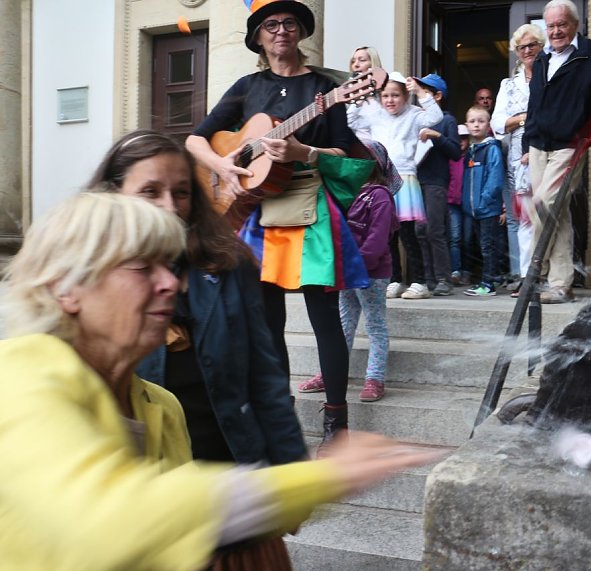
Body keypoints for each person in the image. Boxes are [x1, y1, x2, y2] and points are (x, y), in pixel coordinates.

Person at [0, 192, 439, 570]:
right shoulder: (20, 374)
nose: (171, 282)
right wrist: (322, 477)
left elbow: (172, 541)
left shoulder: (159, 405)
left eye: (168, 265)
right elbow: (105, 522)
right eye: (141, 267)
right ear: (66, 287)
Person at [185, 0, 371, 446]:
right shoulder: (247, 86)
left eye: (289, 22)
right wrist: (224, 166)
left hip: (309, 207)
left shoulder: (327, 88)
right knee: (267, 321)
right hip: (257, 211)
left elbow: (345, 152)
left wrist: (304, 153)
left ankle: (336, 423)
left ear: (301, 31)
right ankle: (277, 408)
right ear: (259, 37)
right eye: (271, 24)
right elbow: (195, 139)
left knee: (325, 318)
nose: (281, 30)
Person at [89, 129, 307, 465]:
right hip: (142, 482)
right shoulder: (86, 280)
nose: (169, 206)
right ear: (113, 195)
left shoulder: (228, 264)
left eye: (181, 192)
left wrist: (291, 472)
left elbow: (266, 378)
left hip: (232, 468)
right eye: (150, 191)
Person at [523, 0, 591, 304]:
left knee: (542, 205)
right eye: (550, 26)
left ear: (575, 25)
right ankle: (560, 284)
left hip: (571, 145)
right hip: (539, 145)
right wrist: (528, 142)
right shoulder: (542, 60)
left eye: (561, 24)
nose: (555, 31)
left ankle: (534, 273)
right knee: (557, 213)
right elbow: (534, 106)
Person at [302, 140, 402, 403]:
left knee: (375, 325)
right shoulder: (344, 191)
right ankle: (330, 373)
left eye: (361, 157)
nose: (353, 161)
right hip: (346, 272)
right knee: (342, 325)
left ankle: (375, 378)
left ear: (374, 163)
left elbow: (377, 239)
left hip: (371, 273)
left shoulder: (379, 195)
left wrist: (356, 267)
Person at [349, 71, 443, 300]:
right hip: (382, 180)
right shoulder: (376, 114)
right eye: (386, 95)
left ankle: (420, 282)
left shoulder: (413, 114)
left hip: (405, 178)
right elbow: (351, 121)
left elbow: (435, 116)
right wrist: (357, 98)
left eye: (396, 95)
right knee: (387, 233)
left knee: (408, 234)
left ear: (405, 96)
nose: (390, 100)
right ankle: (395, 279)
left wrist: (420, 91)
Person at [491, 24, 547, 296]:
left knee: (548, 215)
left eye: (532, 45)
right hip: (519, 158)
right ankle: (528, 277)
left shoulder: (551, 75)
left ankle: (547, 274)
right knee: (525, 219)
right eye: (522, 47)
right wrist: (526, 117)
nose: (527, 51)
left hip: (548, 150)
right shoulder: (508, 85)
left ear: (541, 46)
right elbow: (497, 123)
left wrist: (522, 120)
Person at [415, 73, 462, 296]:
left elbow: (455, 151)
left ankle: (444, 278)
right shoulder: (415, 118)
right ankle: (428, 279)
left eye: (425, 91)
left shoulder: (447, 120)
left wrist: (436, 135)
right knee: (420, 230)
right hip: (415, 180)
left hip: (436, 181)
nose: (420, 96)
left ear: (438, 96)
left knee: (435, 229)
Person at [461, 105, 505, 297]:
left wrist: (484, 201)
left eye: (481, 121)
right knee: (480, 245)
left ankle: (488, 284)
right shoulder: (471, 150)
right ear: (466, 125)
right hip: (474, 209)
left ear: (489, 125)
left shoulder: (491, 149)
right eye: (472, 121)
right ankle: (486, 280)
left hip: (486, 208)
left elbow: (495, 179)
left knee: (488, 246)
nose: (476, 125)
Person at [346, 46, 384, 139]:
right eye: (353, 61)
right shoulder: (346, 96)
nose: (356, 65)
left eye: (362, 60)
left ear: (373, 65)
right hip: (361, 149)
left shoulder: (385, 94)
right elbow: (347, 123)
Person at [447, 124, 469, 285]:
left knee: (468, 238)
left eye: (464, 138)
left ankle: (467, 271)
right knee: (454, 237)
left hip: (469, 202)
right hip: (452, 202)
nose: (461, 141)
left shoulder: (471, 156)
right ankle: (456, 270)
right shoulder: (449, 157)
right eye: (458, 138)